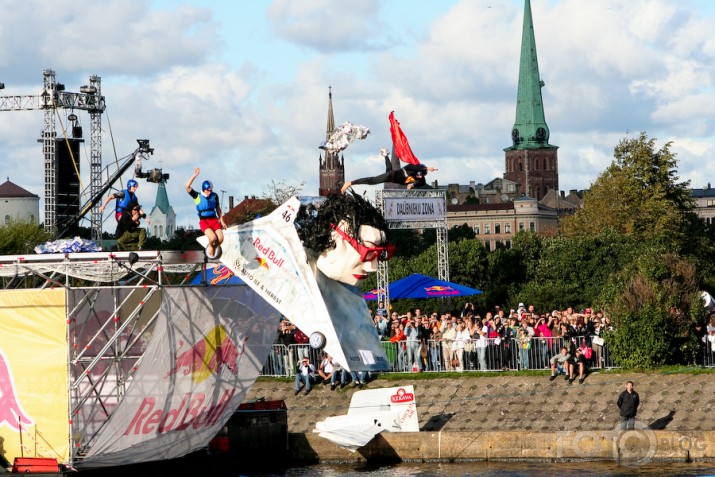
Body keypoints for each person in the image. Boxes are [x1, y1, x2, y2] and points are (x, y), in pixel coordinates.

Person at [340, 147, 437, 193]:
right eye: (419, 175)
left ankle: (386, 155)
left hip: (392, 178)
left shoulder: (421, 179)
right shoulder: (411, 167)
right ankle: (349, 183)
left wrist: (412, 185)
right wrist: (428, 167)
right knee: (373, 181)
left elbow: (420, 183)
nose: (419, 177)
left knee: (389, 170)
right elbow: (418, 167)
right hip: (390, 176)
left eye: (421, 176)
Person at [185, 167, 226, 258]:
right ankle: (211, 246)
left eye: (211, 190)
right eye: (208, 190)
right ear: (204, 189)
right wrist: (194, 176)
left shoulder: (214, 196)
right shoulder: (197, 196)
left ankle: (213, 247)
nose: (209, 192)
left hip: (214, 220)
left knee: (221, 238)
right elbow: (187, 186)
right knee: (213, 238)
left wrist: (222, 220)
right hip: (204, 221)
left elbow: (218, 208)